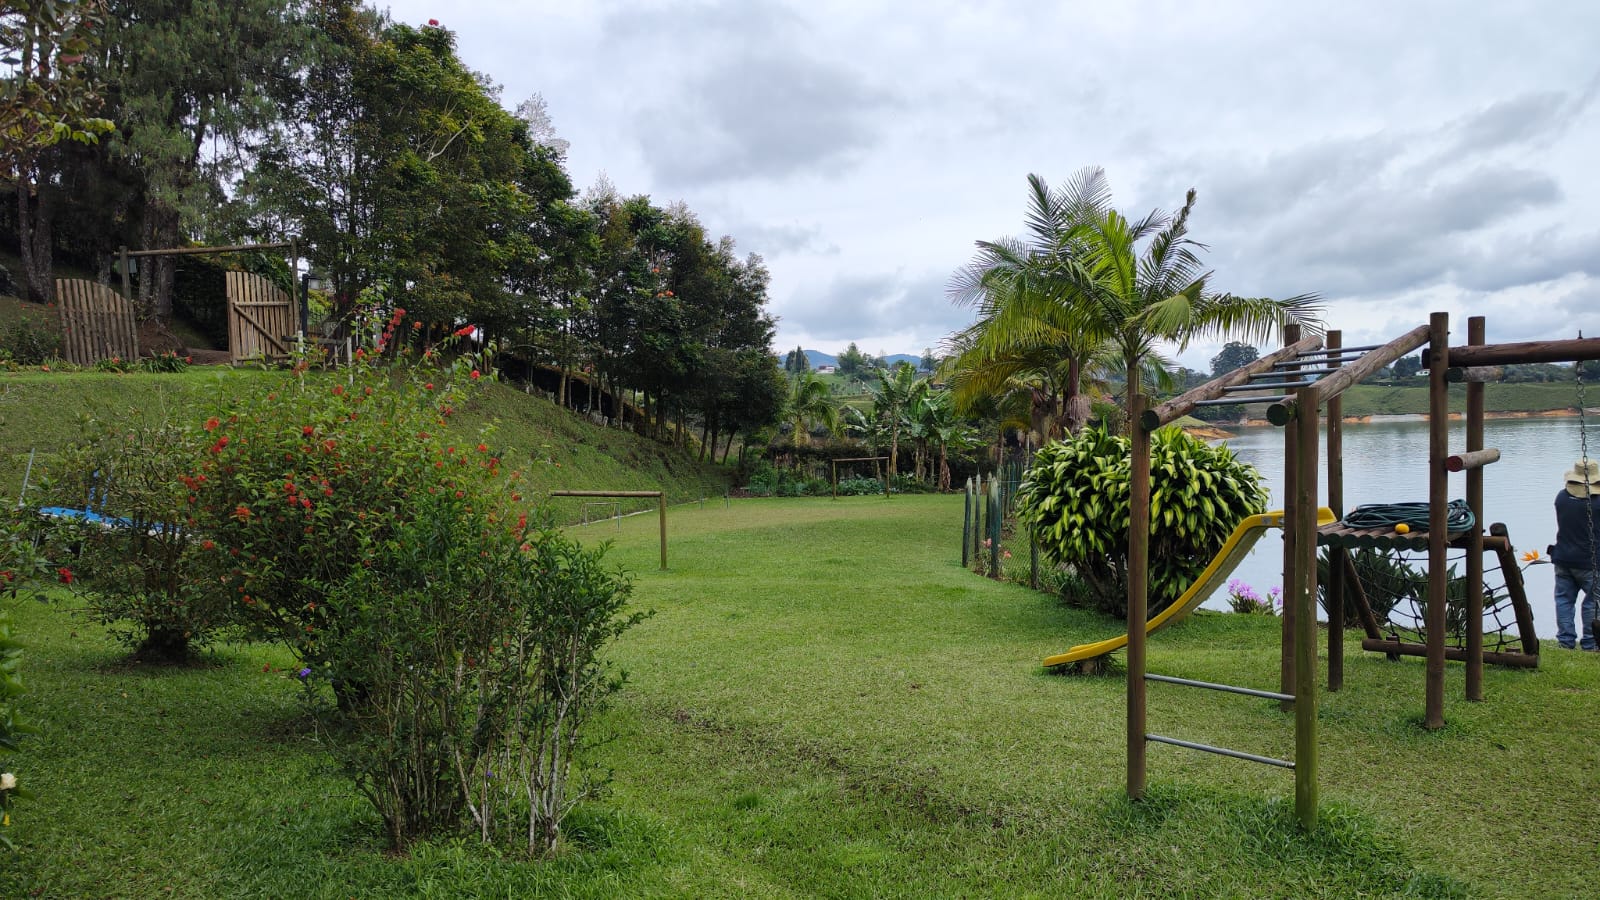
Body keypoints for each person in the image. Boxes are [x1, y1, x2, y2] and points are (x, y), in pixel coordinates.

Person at [1552, 458, 1600, 650]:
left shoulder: (1561, 497)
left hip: (1563, 559)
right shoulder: (1597, 503)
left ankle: (1565, 641)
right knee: (1592, 603)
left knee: (1563, 600)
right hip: (1591, 563)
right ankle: (1590, 643)